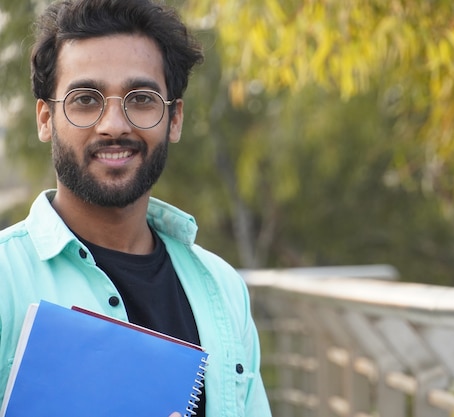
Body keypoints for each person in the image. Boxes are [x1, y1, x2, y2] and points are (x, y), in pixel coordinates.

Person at [0, 0, 272, 416]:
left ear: (174, 119)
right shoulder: (6, 281)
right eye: (86, 99)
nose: (114, 124)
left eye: (141, 98)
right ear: (45, 119)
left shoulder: (222, 288)